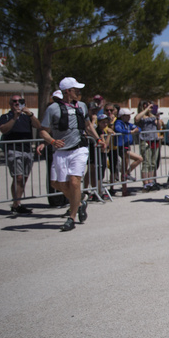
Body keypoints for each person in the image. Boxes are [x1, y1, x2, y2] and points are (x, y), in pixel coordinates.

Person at [38, 78, 103, 231]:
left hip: (79, 149)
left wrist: (98, 138)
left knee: (74, 182)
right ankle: (79, 203)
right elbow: (42, 130)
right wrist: (52, 141)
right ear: (67, 91)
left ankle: (71, 218)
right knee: (57, 184)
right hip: (61, 151)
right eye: (76, 89)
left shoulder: (82, 106)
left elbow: (87, 125)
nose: (79, 92)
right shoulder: (53, 108)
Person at [0, 93, 44, 214]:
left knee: (23, 178)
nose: (17, 103)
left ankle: (17, 204)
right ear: (10, 104)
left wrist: (30, 114)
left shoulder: (27, 117)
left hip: (28, 150)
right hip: (14, 150)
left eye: (20, 101)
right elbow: (3, 129)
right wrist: (14, 117)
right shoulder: (6, 116)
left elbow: (38, 126)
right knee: (18, 177)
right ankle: (16, 203)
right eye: (14, 101)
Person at [113, 108, 143, 196]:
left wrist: (136, 129)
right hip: (121, 147)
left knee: (124, 167)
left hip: (126, 146)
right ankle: (127, 174)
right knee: (139, 158)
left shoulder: (128, 124)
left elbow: (138, 128)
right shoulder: (119, 123)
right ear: (122, 116)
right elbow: (118, 130)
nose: (129, 117)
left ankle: (124, 190)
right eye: (127, 115)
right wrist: (130, 131)